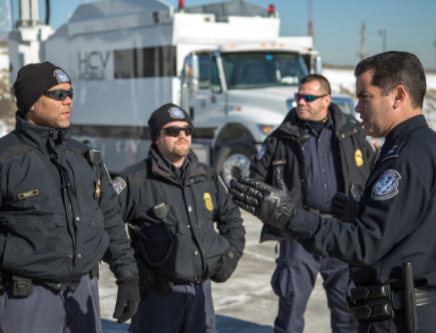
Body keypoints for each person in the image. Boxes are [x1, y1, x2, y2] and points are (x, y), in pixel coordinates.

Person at [230, 51, 436, 332]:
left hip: (401, 315)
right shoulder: (421, 145)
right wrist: (362, 212)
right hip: (332, 250)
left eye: (365, 96)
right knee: (292, 309)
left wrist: (290, 217)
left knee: (342, 317)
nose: (358, 107)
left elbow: (366, 244)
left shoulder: (403, 156)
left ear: (398, 96)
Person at [0, 62, 139, 333]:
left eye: (71, 93)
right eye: (58, 94)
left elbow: (110, 219)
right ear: (30, 102)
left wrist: (128, 277)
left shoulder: (84, 157)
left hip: (83, 294)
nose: (69, 101)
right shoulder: (6, 159)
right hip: (26, 298)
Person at [249, 74, 378, 333]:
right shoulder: (280, 137)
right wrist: (277, 214)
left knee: (348, 310)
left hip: (343, 233)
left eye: (308, 97)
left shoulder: (352, 132)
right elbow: (255, 181)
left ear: (326, 100)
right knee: (291, 307)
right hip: (298, 234)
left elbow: (375, 172)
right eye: (298, 97)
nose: (301, 103)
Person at [113, 103, 246, 333]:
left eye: (187, 129)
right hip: (158, 299)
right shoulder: (134, 180)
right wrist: (132, 272)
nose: (182, 135)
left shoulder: (208, 176)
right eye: (173, 131)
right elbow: (105, 226)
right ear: (157, 137)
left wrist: (230, 255)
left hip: (200, 296)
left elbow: (232, 218)